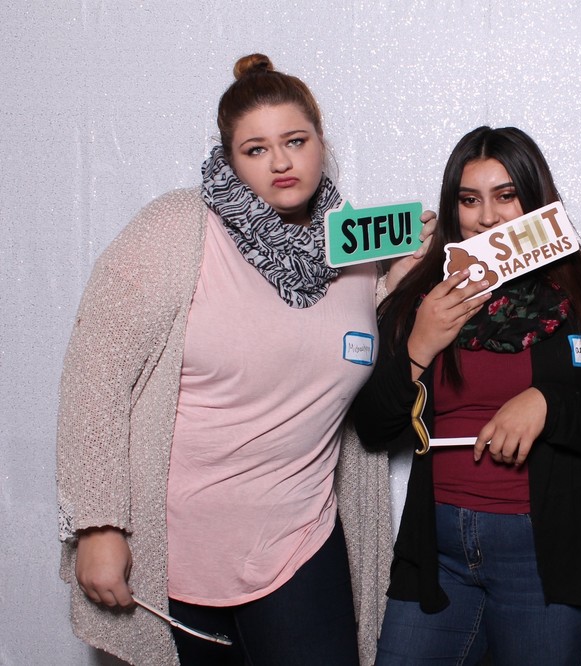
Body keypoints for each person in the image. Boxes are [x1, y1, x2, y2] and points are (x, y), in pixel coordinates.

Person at [56, 53, 430, 666]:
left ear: (321, 143)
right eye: (256, 149)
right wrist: (99, 526)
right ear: (230, 159)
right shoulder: (176, 230)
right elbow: (95, 378)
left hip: (300, 540)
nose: (281, 162)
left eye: (295, 141)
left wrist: (406, 280)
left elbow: (358, 347)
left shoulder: (357, 249)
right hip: (176, 546)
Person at [352, 126, 581, 665]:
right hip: (437, 551)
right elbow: (373, 427)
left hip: (547, 555)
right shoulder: (425, 296)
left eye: (505, 195)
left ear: (535, 199)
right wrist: (419, 344)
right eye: (469, 200)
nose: (487, 217)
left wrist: (548, 405)